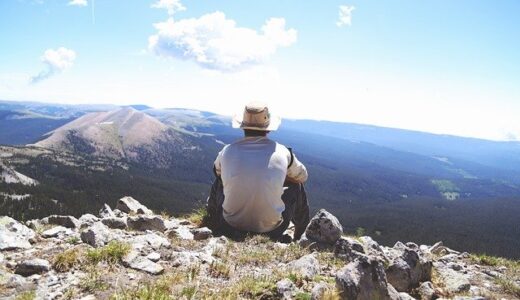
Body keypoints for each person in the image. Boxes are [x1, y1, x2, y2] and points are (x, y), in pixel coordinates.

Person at [206, 102, 310, 242]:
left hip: (229, 226)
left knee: (219, 180)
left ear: (243, 127)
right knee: (297, 186)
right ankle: (301, 235)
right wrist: (280, 177)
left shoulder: (227, 150)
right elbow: (302, 177)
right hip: (273, 231)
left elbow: (217, 172)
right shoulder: (283, 152)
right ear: (268, 128)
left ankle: (212, 221)